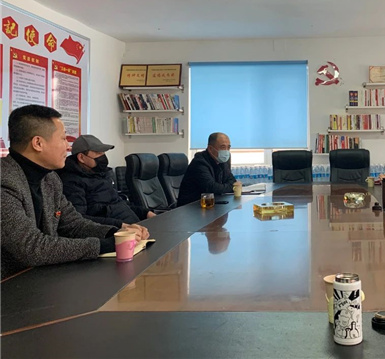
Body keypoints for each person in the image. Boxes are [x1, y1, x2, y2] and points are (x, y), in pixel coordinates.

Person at [1, 105, 148, 279]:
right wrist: (105, 245)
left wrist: (114, 232)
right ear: (38, 143)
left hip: (42, 276)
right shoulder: (5, 182)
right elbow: (32, 247)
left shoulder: (50, 179)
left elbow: (74, 224)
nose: (68, 146)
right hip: (10, 283)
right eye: (63, 139)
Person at [58, 135, 156, 227]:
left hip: (133, 226)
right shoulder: (71, 182)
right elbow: (79, 219)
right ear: (81, 158)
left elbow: (118, 203)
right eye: (98, 153)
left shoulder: (102, 174)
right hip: (114, 232)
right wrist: (120, 225)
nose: (103, 157)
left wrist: (145, 213)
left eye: (103, 153)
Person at [177, 132, 241, 206]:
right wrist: (232, 187)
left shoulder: (222, 161)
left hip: (212, 204)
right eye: (223, 147)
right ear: (210, 148)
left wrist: (229, 186)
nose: (226, 151)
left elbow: (232, 180)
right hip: (191, 207)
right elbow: (211, 188)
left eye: (228, 147)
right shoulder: (199, 162)